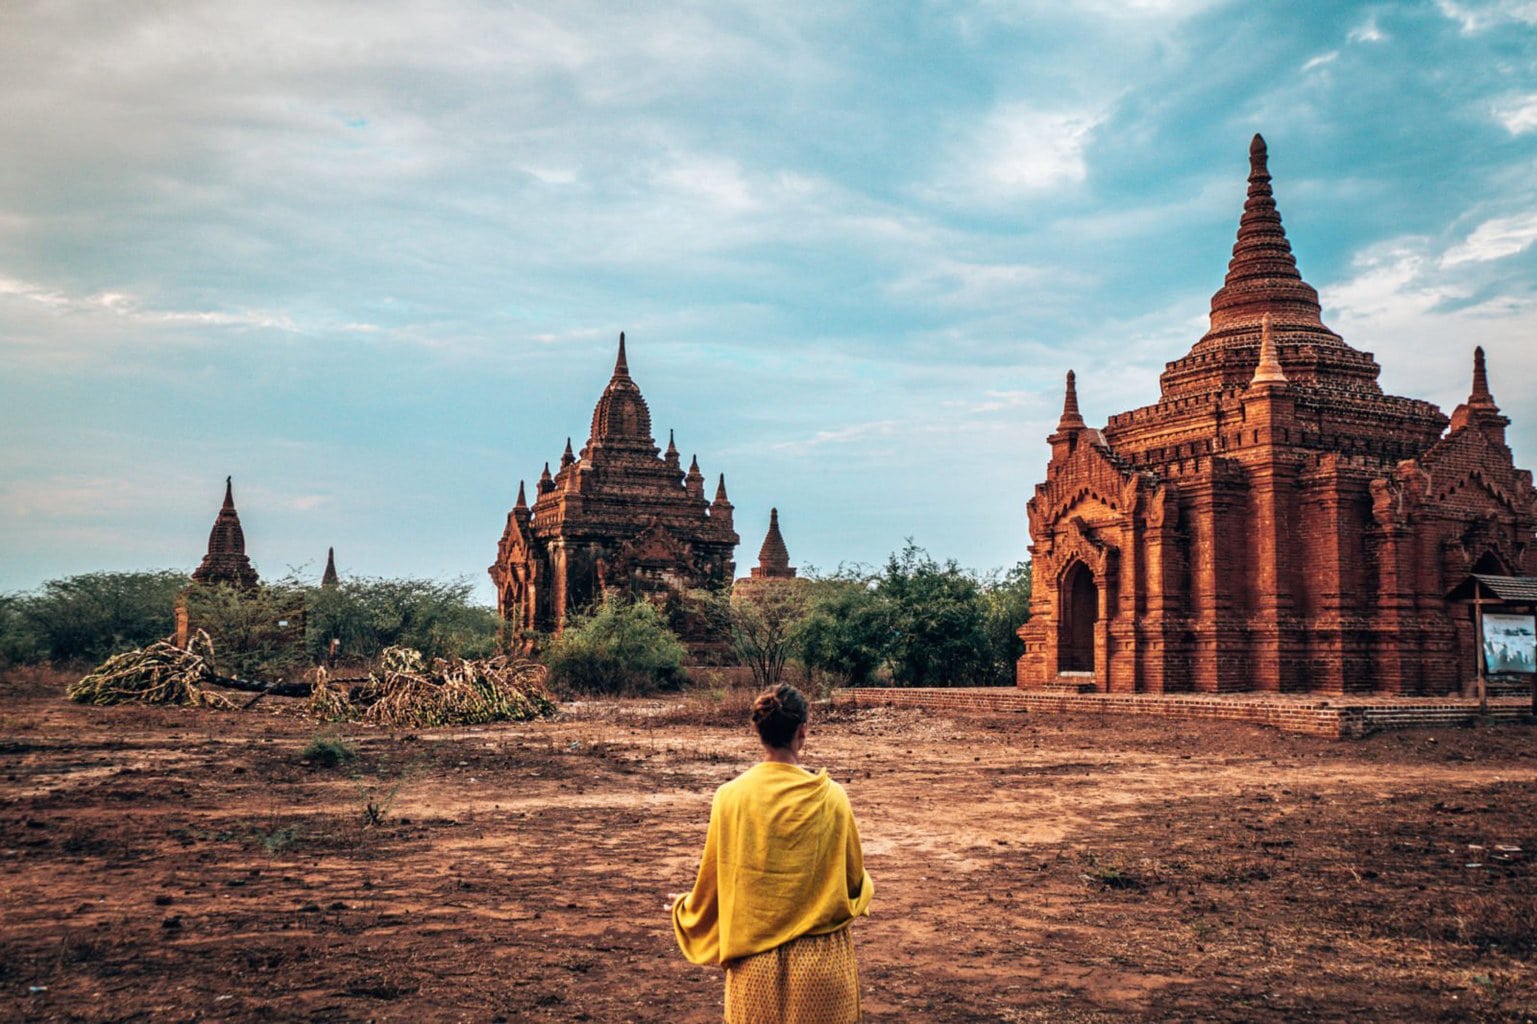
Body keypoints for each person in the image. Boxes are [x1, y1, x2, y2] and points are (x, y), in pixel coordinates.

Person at [670, 683, 874, 1023]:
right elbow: (854, 884)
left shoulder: (729, 797)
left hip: (754, 966)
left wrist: (683, 909)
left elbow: (713, 884)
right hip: (822, 967)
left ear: (759, 732)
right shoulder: (832, 796)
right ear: (802, 732)